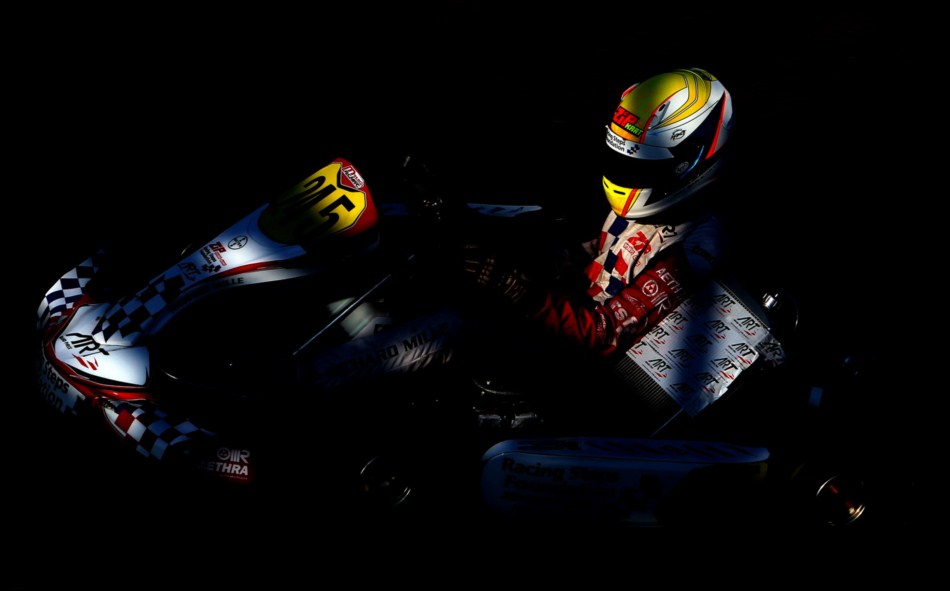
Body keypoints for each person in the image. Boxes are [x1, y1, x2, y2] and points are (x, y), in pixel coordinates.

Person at [461, 67, 735, 359]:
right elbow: (581, 251)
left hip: (592, 361)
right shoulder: (642, 204)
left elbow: (605, 333)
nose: (627, 173)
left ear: (691, 164)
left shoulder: (700, 244)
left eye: (645, 166)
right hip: (567, 311)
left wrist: (512, 287)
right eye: (626, 160)